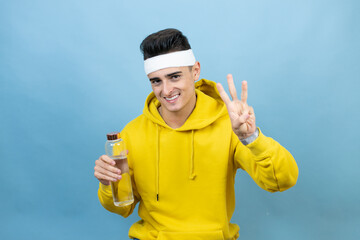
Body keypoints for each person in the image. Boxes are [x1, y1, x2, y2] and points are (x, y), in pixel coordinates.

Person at [94, 28, 298, 240]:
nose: (166, 90)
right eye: (156, 81)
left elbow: (282, 180)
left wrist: (251, 137)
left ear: (196, 71)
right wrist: (109, 184)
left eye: (174, 77)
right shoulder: (132, 133)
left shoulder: (229, 126)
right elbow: (121, 208)